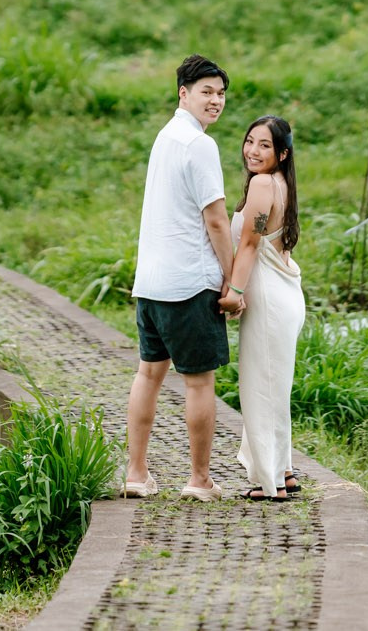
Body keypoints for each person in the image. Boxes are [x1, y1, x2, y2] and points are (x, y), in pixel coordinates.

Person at [125, 54, 241, 501]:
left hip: (150, 284)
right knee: (199, 382)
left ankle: (137, 474)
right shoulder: (199, 144)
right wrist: (233, 279)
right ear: (183, 93)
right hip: (189, 284)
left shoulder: (166, 136)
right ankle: (199, 479)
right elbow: (216, 219)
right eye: (206, 92)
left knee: (148, 376)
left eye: (221, 94)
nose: (216, 101)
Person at [225, 115, 306, 501]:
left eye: (264, 145)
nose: (253, 151)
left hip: (269, 300)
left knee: (261, 388)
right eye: (250, 141)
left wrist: (234, 291)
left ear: (282, 153)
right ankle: (283, 472)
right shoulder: (281, 183)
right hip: (283, 296)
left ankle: (269, 483)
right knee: (275, 387)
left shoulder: (261, 184)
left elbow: (249, 243)